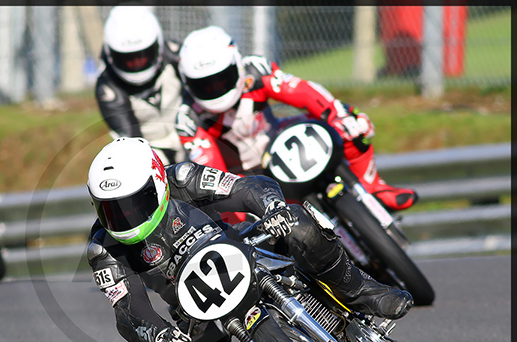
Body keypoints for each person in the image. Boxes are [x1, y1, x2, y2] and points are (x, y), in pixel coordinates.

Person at [86, 136, 413, 342]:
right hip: (199, 314)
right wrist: (158, 334)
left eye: (132, 204)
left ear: (157, 183)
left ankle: (360, 290)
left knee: (297, 221)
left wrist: (272, 207)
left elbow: (247, 187)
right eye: (111, 209)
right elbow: (128, 312)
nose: (123, 217)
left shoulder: (183, 177)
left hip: (246, 249)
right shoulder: (103, 250)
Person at [175, 26, 417, 211]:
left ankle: (374, 187)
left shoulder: (256, 71)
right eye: (204, 84)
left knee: (350, 120)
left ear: (236, 64)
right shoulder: (188, 119)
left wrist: (337, 115)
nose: (215, 88)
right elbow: (213, 175)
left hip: (282, 141)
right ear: (187, 82)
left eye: (221, 78)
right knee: (222, 205)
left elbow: (304, 92)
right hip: (246, 178)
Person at [95, 4, 186, 165]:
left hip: (193, 136)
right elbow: (132, 141)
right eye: (128, 60)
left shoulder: (176, 56)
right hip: (150, 149)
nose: (137, 64)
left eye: (142, 56)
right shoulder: (108, 88)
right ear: (111, 54)